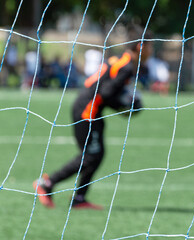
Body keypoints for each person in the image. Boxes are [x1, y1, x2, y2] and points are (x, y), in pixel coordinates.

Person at [33, 29, 153, 209]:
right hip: (87, 111)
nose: (152, 52)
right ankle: (47, 184)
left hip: (91, 110)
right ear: (141, 46)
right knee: (91, 156)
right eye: (151, 47)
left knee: (95, 155)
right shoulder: (127, 67)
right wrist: (125, 107)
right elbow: (106, 93)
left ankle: (79, 198)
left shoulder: (120, 60)